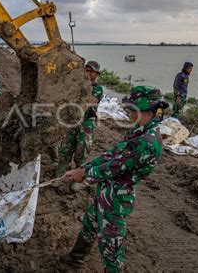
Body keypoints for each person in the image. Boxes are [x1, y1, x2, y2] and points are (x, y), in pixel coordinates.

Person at [60, 86, 169, 272]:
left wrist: (84, 175)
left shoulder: (147, 142)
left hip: (116, 200)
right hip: (106, 191)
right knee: (90, 224)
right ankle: (75, 258)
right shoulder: (139, 131)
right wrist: (83, 168)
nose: (128, 114)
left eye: (131, 110)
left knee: (111, 246)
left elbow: (114, 167)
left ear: (145, 110)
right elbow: (111, 154)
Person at [53, 60, 103, 191]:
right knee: (65, 148)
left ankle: (76, 179)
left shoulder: (97, 89)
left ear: (96, 74)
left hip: (86, 122)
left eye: (91, 71)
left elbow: (90, 103)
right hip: (72, 121)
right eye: (86, 71)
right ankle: (59, 176)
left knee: (82, 148)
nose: (88, 73)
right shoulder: (77, 85)